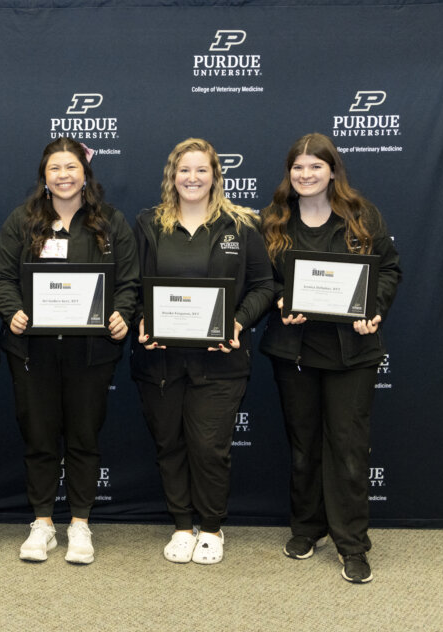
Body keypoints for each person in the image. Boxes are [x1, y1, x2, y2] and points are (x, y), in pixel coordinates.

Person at [260, 133, 400, 584]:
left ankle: (353, 544)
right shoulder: (274, 220)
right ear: (289, 173)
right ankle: (307, 527)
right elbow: (262, 280)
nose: (305, 175)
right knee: (303, 447)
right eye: (297, 167)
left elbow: (390, 268)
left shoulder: (362, 216)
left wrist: (373, 309)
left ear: (333, 171)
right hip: (294, 351)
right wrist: (283, 300)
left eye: (315, 167)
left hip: (352, 352)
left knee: (349, 448)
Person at [0, 137, 139, 565]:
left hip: (91, 354)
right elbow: (3, 277)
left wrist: (121, 315)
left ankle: (79, 524)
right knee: (39, 438)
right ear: (44, 175)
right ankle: (42, 524)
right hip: (32, 352)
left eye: (71, 167)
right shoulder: (21, 221)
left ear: (85, 173)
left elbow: (129, 281)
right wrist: (13, 311)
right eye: (55, 168)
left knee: (83, 438)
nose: (63, 175)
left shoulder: (110, 222)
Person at [132, 137, 273, 565]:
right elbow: (132, 286)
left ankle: (211, 527)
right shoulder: (148, 224)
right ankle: (181, 525)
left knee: (209, 446)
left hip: (221, 360)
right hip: (160, 359)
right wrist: (142, 320)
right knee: (170, 443)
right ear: (172, 176)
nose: (192, 178)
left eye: (201, 170)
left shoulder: (243, 224)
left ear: (215, 175)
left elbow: (265, 286)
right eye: (184, 170)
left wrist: (237, 321)